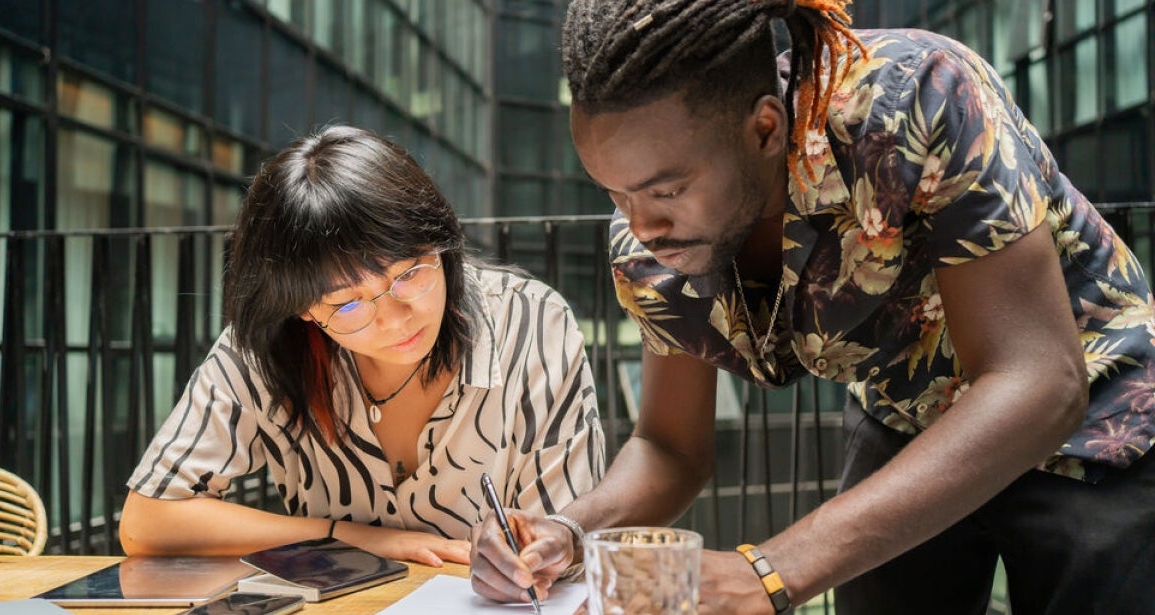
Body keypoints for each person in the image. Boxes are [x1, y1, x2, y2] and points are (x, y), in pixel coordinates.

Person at [470, 1, 1155, 613]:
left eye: (666, 191)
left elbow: (1039, 380)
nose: (640, 226)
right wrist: (568, 528)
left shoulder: (915, 96)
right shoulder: (650, 254)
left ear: (764, 129)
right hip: (907, 415)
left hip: (1098, 415)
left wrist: (769, 568)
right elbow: (669, 446)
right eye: (616, 194)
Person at [120, 125, 605, 567]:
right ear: (304, 310)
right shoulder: (265, 349)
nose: (396, 320)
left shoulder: (530, 323)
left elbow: (575, 535)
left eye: (410, 274)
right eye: (348, 306)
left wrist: (537, 561)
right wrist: (349, 537)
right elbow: (147, 522)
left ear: (442, 244)